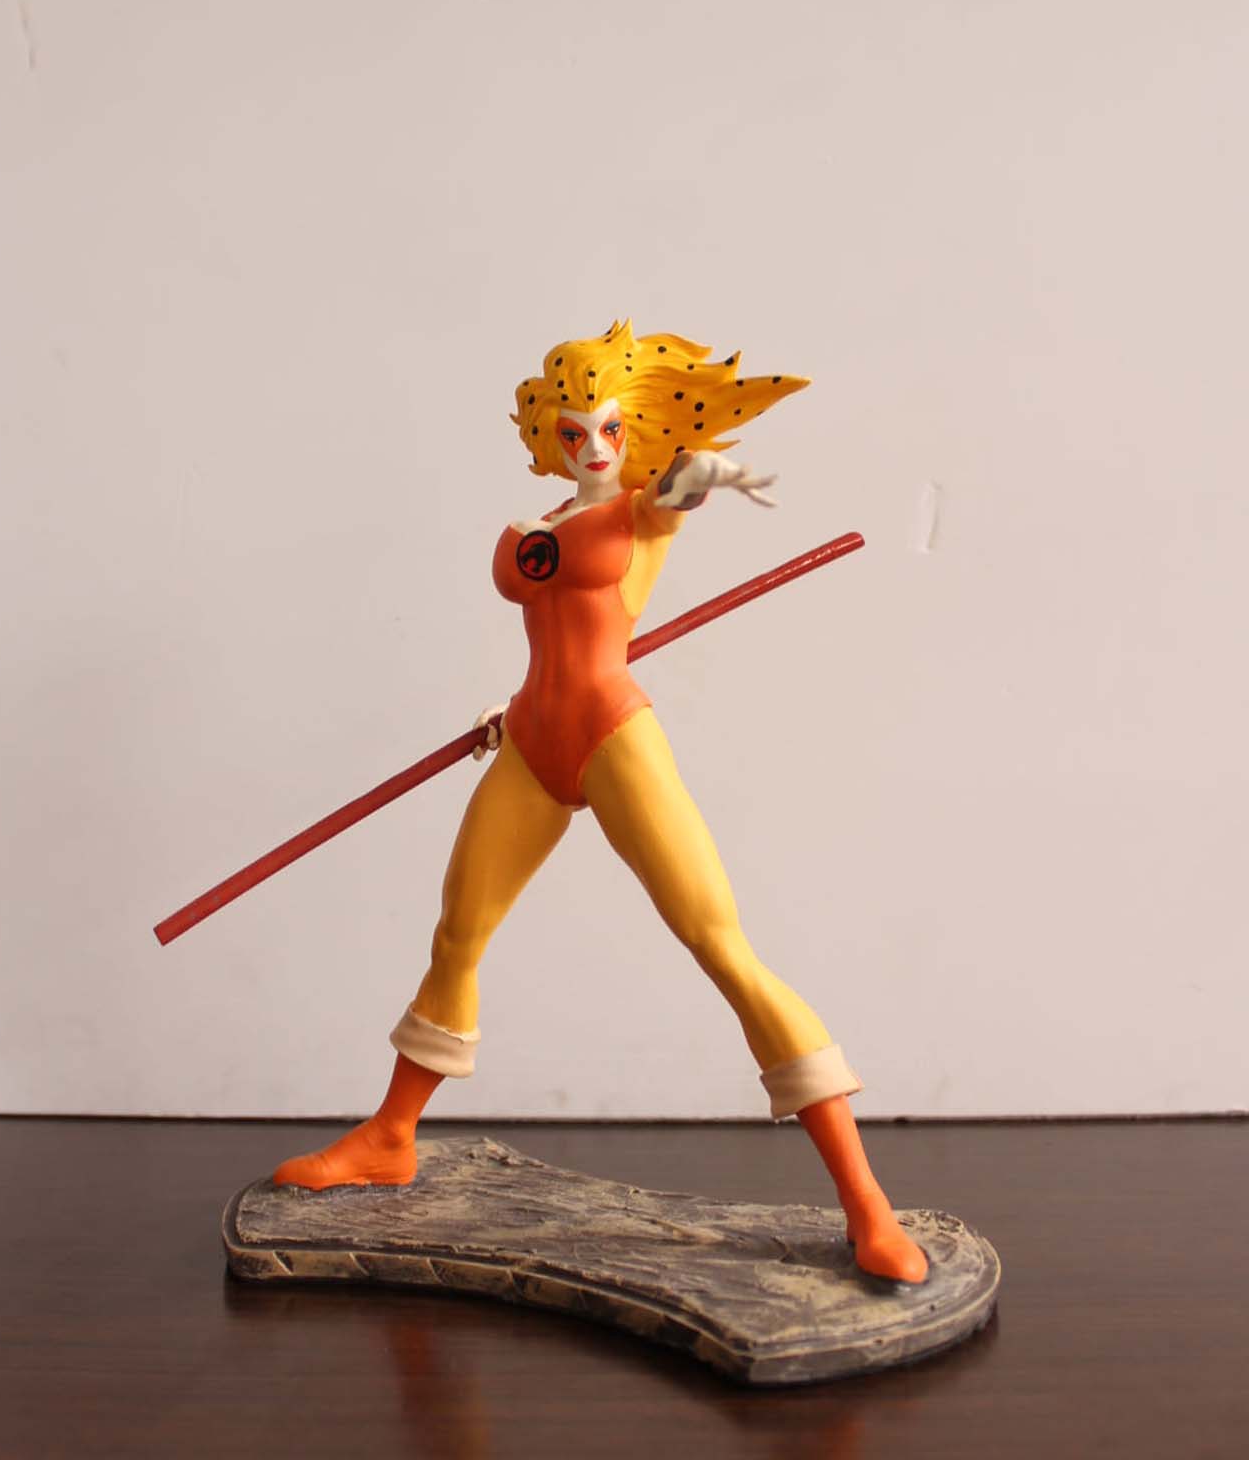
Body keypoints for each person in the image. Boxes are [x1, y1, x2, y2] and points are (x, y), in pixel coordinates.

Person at [273, 319, 927, 1284]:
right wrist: (507, 712)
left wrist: (709, 473)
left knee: (721, 946)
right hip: (530, 741)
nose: (593, 446)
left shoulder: (639, 514)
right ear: (551, 434)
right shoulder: (540, 527)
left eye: (612, 430)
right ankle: (392, 1137)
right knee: (458, 934)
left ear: (635, 434)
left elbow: (677, 490)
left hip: (615, 739)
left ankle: (867, 1203)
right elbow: (554, 635)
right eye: (575, 431)